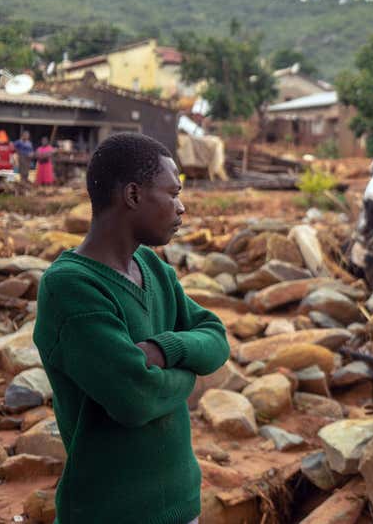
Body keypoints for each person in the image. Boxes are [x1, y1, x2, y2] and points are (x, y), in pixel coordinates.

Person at [33, 132, 229, 524]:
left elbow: (216, 337)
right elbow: (134, 398)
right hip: (109, 512)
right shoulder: (70, 287)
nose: (181, 207)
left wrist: (162, 351)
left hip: (180, 501)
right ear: (134, 195)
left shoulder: (154, 268)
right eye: (172, 194)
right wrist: (191, 376)